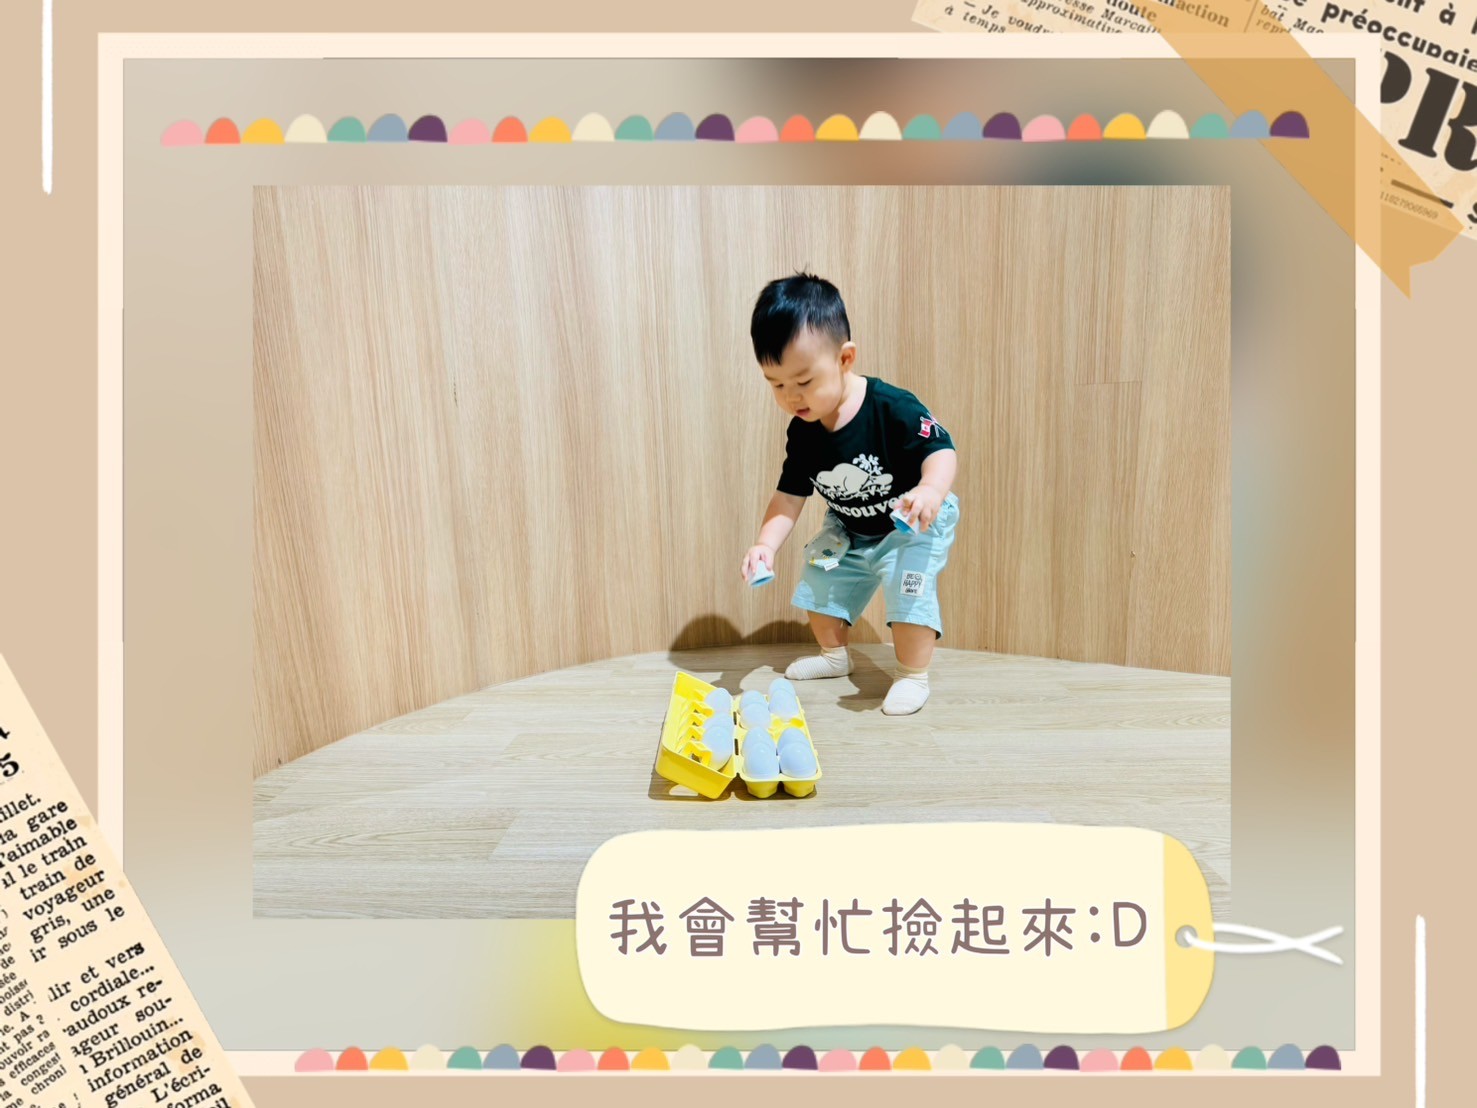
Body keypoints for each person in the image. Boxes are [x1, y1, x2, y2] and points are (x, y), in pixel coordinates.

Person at [740, 273, 959, 716]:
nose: (792, 397)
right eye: (777, 385)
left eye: (804, 381)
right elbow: (788, 497)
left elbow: (941, 449)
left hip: (910, 526)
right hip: (848, 528)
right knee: (818, 580)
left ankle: (912, 675)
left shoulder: (891, 407)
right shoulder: (803, 432)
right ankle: (834, 656)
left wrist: (930, 489)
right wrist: (765, 544)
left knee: (908, 592)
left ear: (845, 358)